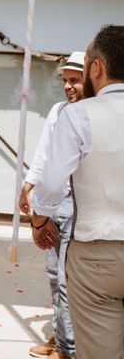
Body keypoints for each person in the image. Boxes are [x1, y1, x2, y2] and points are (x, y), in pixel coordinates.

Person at [30, 25, 124, 359]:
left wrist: (39, 221)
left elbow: (52, 183)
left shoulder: (78, 115)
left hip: (97, 252)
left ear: (96, 67)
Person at [19, 52, 85, 359]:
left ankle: (68, 348)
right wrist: (29, 186)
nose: (69, 86)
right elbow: (44, 152)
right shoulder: (59, 110)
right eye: (66, 80)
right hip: (52, 201)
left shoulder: (92, 113)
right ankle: (60, 337)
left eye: (75, 80)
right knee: (53, 276)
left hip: (78, 204)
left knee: (66, 280)